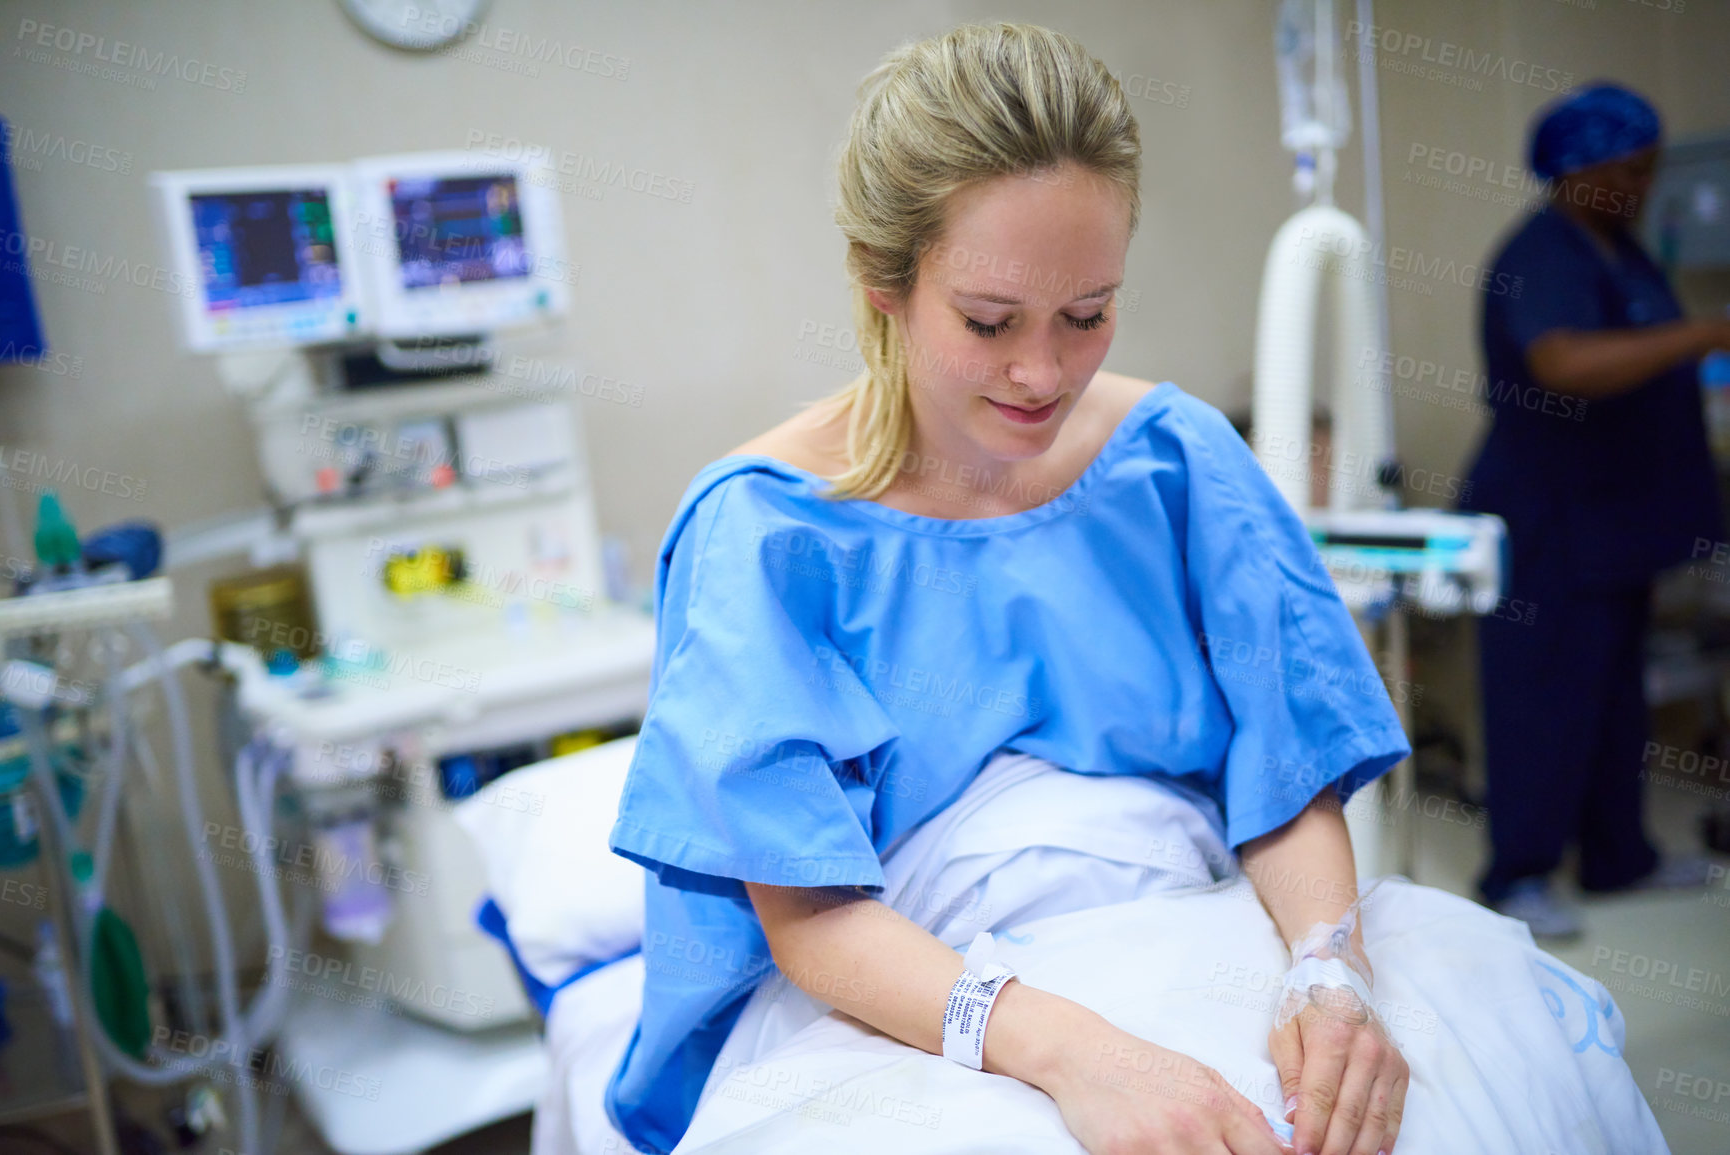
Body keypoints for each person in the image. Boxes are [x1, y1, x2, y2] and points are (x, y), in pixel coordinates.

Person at [599, 25, 1414, 1155]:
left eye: (1088, 315)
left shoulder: (1173, 462)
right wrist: (1081, 1054)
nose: (1044, 373)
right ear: (883, 282)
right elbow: (812, 919)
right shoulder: (768, 530)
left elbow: (1285, 777)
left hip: (1193, 914)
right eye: (990, 324)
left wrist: (1331, 966)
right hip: (913, 991)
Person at [1459, 82, 1730, 940]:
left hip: (1613, 523)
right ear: (1579, 171)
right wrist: (1709, 333)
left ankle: (1620, 856)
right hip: (1547, 520)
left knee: (1617, 697)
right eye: (1632, 170)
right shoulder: (1542, 255)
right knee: (1542, 697)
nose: (1644, 187)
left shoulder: (1620, 249)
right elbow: (1565, 362)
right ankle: (1519, 874)